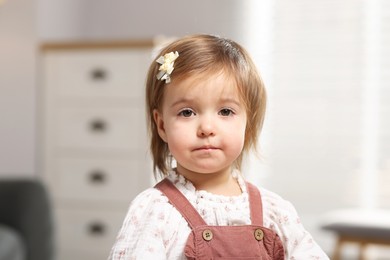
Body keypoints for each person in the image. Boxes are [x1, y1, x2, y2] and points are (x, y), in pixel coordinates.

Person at [108, 34, 329, 259]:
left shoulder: (275, 212)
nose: (206, 128)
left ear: (248, 125)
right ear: (162, 125)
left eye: (225, 112)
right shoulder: (155, 210)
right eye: (187, 112)